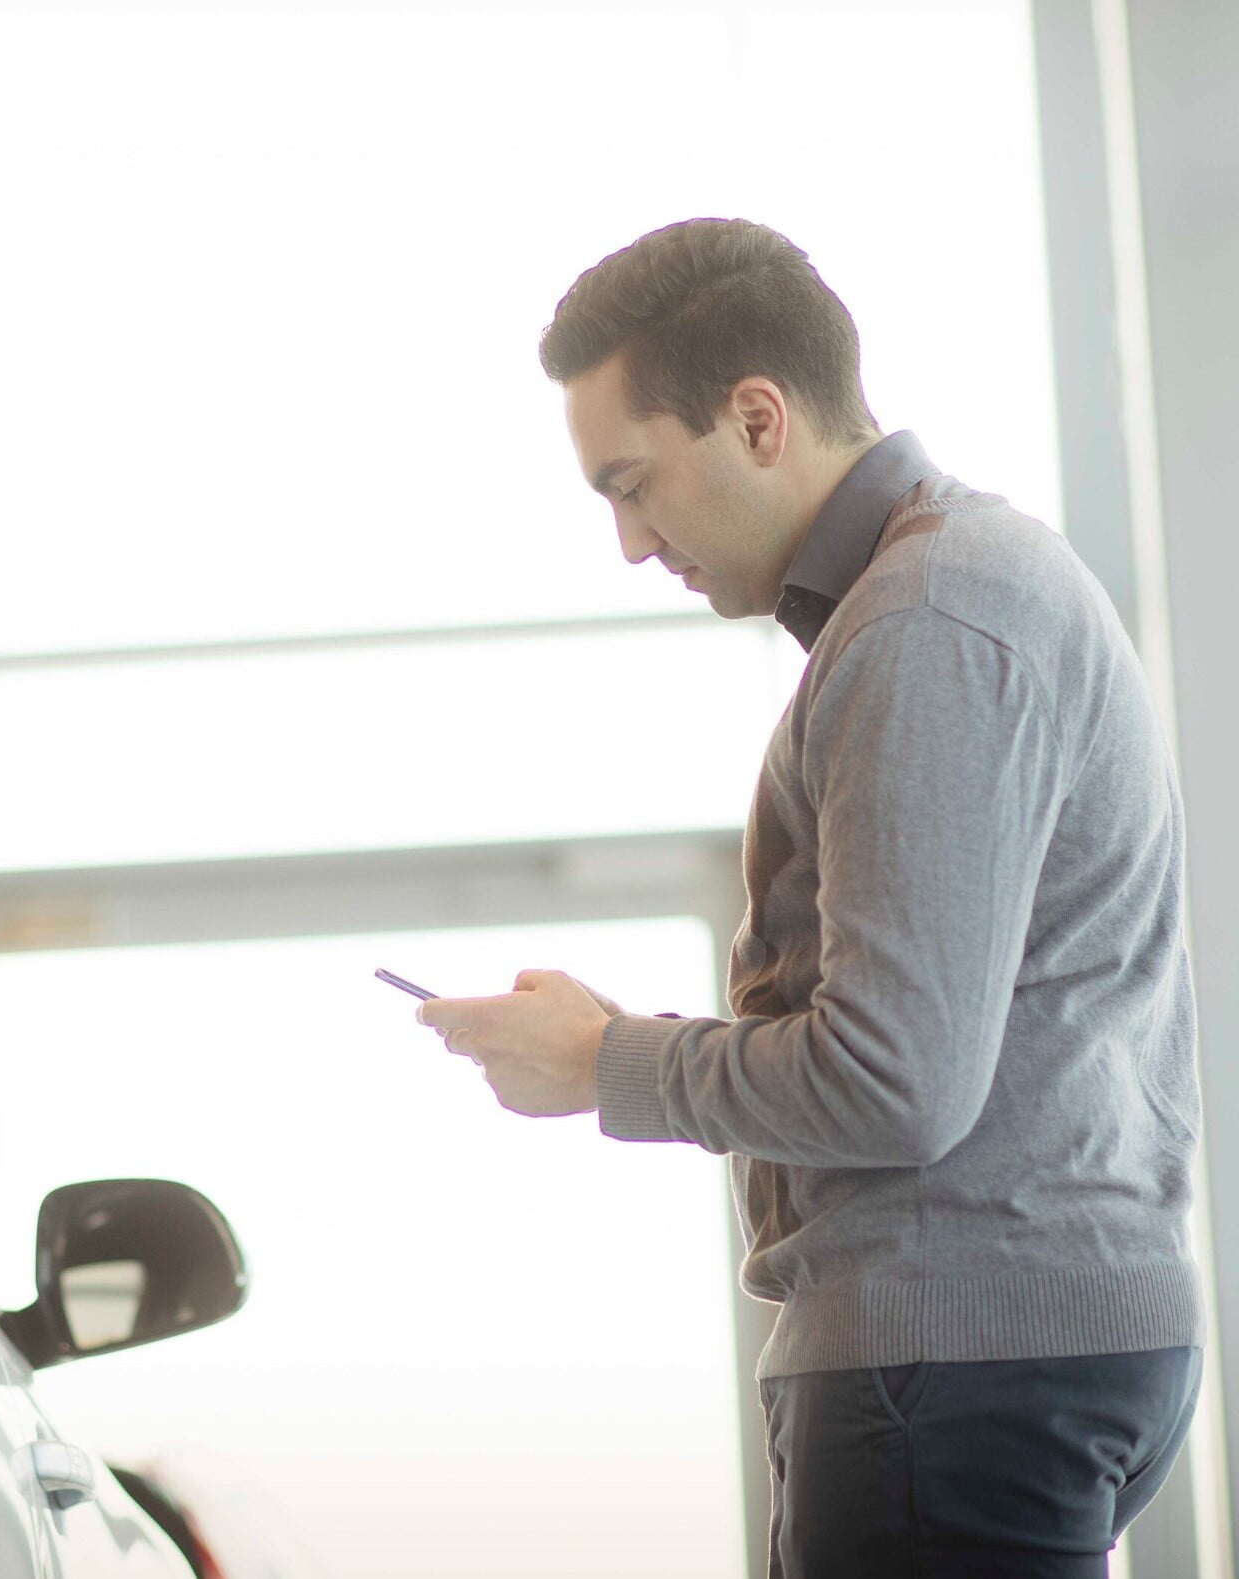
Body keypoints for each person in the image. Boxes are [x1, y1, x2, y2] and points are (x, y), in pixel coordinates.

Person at [416, 218, 1203, 1576]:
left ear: (758, 419)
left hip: (950, 1368)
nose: (630, 542)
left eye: (634, 485)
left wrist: (607, 1062)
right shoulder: (953, 592)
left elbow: (896, 1082)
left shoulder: (926, 623)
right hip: (1001, 1355)